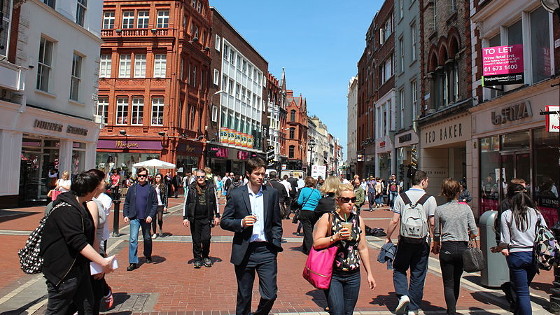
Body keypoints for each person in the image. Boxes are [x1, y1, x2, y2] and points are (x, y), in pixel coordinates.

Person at [40, 172, 114, 314]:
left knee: (88, 306)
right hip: (63, 270)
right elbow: (78, 241)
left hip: (79, 267)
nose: (100, 189)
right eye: (98, 186)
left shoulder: (80, 206)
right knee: (58, 309)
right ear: (91, 190)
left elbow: (88, 236)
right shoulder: (66, 209)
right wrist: (101, 262)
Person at [220, 157, 283, 315]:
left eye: (263, 174)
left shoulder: (271, 193)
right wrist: (240, 223)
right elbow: (225, 221)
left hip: (266, 250)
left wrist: (275, 241)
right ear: (248, 174)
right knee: (244, 295)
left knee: (270, 294)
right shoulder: (236, 194)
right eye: (257, 174)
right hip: (245, 250)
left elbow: (277, 222)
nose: (261, 177)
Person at [313, 183, 376, 314]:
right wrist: (335, 237)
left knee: (348, 312)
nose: (350, 203)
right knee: (337, 311)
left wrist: (369, 273)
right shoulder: (328, 218)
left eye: (353, 200)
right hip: (334, 274)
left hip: (353, 274)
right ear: (338, 201)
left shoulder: (358, 220)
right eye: (346, 200)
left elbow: (362, 248)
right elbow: (317, 243)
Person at [385, 170, 437, 315]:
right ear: (423, 181)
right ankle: (413, 308)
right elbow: (432, 223)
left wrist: (388, 236)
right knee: (418, 273)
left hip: (404, 240)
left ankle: (403, 295)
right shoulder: (430, 199)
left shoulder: (401, 197)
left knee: (400, 268)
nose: (428, 182)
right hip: (422, 241)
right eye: (427, 180)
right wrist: (436, 240)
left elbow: (395, 220)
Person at [431, 178, 478, 315]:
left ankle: (451, 311)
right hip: (462, 247)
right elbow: (474, 231)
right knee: (456, 280)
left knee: (448, 283)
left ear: (444, 193)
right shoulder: (466, 208)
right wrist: (467, 233)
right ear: (459, 192)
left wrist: (436, 244)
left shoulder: (439, 210)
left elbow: (436, 232)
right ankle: (453, 309)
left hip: (447, 248)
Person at [496, 191, 544, 315]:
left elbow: (505, 240)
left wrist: (501, 248)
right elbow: (544, 231)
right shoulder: (536, 214)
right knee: (523, 288)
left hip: (516, 255)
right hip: (532, 254)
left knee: (522, 292)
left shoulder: (507, 214)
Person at [85, 169, 115, 312]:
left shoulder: (102, 200)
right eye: (103, 180)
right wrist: (99, 260)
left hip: (94, 248)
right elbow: (95, 234)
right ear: (96, 184)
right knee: (91, 291)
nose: (106, 182)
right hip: (92, 250)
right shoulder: (92, 204)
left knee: (91, 290)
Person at [183, 169, 220, 268]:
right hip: (194, 218)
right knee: (196, 240)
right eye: (198, 177)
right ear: (196, 177)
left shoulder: (210, 187)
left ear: (205, 177)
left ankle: (205, 256)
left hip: (206, 218)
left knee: (206, 238)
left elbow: (215, 201)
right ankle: (197, 259)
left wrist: (217, 215)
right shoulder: (191, 187)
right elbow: (186, 203)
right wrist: (185, 217)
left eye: (202, 177)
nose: (200, 179)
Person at [123, 167, 158, 271]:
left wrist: (150, 216)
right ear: (137, 176)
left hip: (146, 218)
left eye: (144, 176)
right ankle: (133, 261)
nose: (142, 177)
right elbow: (127, 203)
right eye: (140, 176)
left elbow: (155, 204)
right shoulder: (132, 188)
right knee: (133, 239)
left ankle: (147, 254)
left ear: (147, 177)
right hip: (134, 217)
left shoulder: (151, 189)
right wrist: (126, 215)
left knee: (147, 237)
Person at [297, 177, 323, 254]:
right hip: (314, 213)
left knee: (307, 231)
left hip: (305, 211)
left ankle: (310, 249)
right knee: (309, 229)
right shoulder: (317, 192)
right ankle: (305, 246)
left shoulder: (304, 190)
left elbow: (299, 202)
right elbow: (320, 201)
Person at [151, 173, 168, 239]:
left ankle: (160, 228)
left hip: (160, 204)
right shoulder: (152, 186)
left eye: (159, 177)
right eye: (156, 177)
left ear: (161, 178)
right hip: (153, 204)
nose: (157, 178)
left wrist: (166, 206)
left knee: (160, 219)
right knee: (153, 219)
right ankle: (154, 233)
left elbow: (165, 196)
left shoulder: (164, 186)